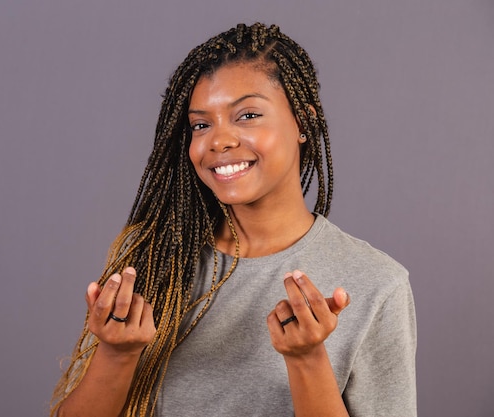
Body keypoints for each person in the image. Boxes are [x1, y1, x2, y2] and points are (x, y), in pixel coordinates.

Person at [50, 22, 417, 417]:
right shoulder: (152, 258)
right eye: (201, 124)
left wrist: (307, 360)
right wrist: (117, 354)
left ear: (304, 122)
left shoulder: (377, 283)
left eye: (247, 115)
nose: (219, 141)